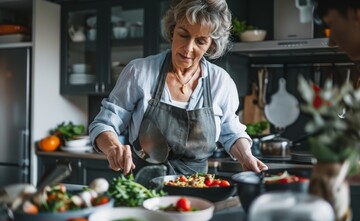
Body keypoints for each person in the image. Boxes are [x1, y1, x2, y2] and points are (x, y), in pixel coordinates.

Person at [89, 0, 268, 176]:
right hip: (146, 188)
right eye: (183, 35)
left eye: (200, 41)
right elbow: (104, 123)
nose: (188, 48)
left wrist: (246, 157)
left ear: (211, 45)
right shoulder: (139, 72)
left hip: (198, 189)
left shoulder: (220, 81)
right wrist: (113, 148)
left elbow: (231, 131)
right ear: (172, 30)